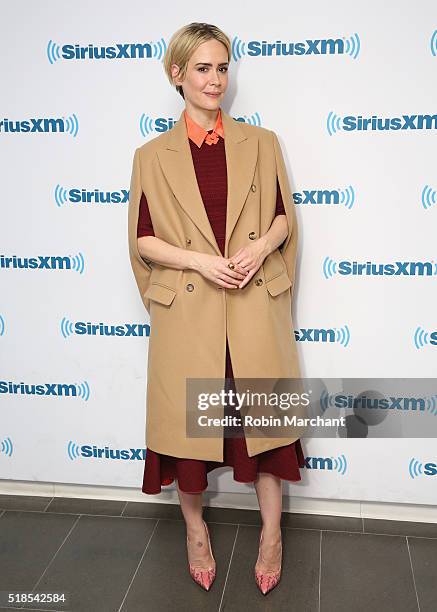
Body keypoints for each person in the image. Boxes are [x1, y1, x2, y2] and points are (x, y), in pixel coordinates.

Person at [127, 22, 305, 596]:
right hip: (192, 311)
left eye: (223, 68)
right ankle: (196, 532)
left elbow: (283, 218)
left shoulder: (263, 141)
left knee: (266, 432)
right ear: (176, 74)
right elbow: (143, 239)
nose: (215, 80)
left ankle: (272, 536)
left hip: (253, 305)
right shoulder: (150, 155)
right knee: (187, 439)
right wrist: (200, 263)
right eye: (202, 68)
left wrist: (256, 249)